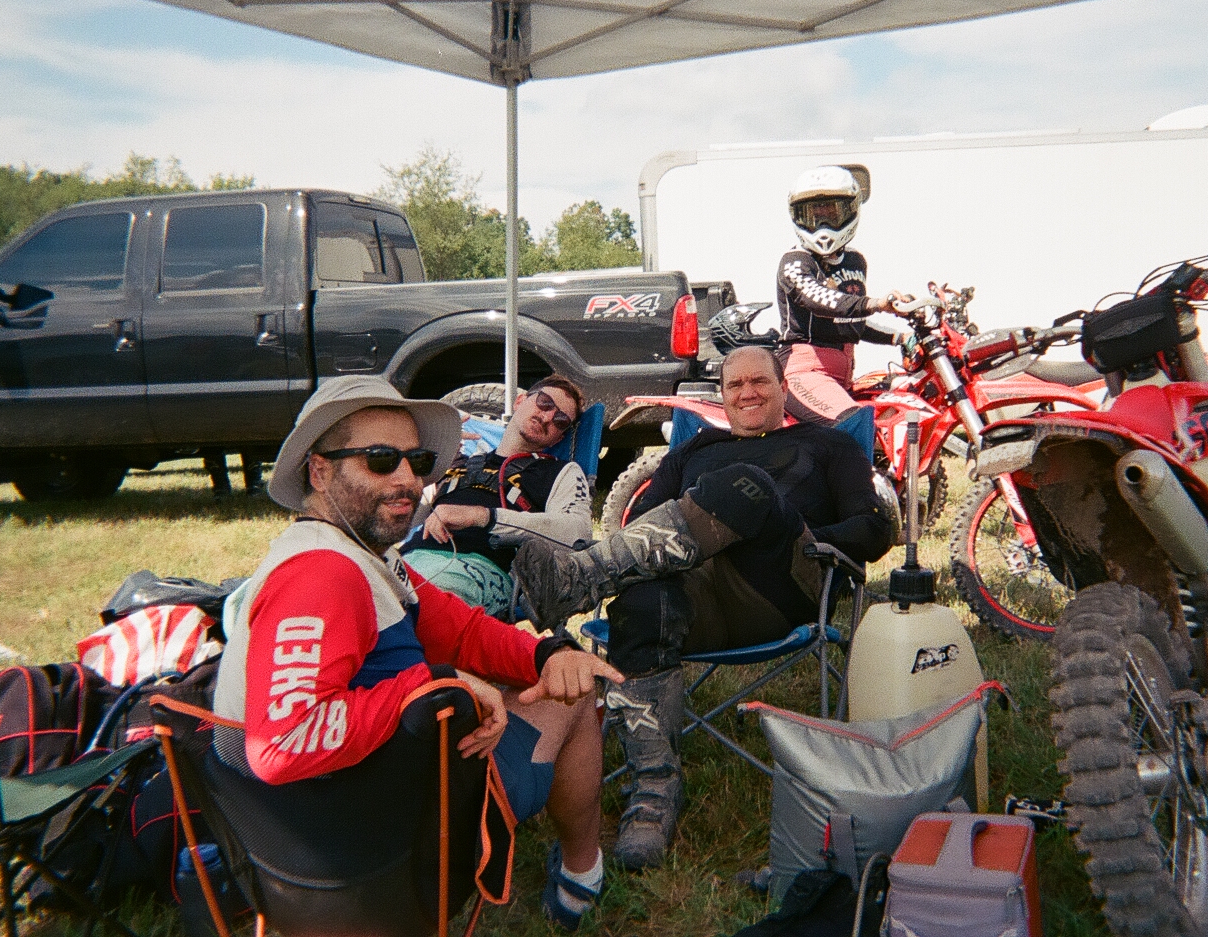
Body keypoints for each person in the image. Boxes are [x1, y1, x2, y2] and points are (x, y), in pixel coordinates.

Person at [213, 375, 624, 929]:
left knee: (555, 674)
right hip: (382, 840)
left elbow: (460, 630)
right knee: (570, 699)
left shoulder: (365, 557)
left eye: (418, 460)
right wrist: (434, 685)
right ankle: (582, 876)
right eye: (381, 460)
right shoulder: (323, 575)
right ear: (320, 470)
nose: (408, 479)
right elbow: (284, 743)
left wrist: (546, 654)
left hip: (336, 819)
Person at [511, 346, 892, 869]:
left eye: (759, 382)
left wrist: (797, 534)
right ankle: (652, 796)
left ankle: (576, 581)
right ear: (723, 396)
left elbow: (873, 528)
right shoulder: (696, 449)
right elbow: (641, 521)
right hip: (694, 598)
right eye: (735, 385)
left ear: (784, 389)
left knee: (747, 488)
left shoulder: (828, 443)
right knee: (641, 601)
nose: (747, 393)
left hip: (779, 585)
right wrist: (704, 533)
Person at [398, 375, 591, 618]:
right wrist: (429, 462)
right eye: (544, 402)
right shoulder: (460, 462)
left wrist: (485, 517)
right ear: (520, 401)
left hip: (478, 569)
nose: (547, 417)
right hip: (410, 559)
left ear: (559, 438)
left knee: (416, 608)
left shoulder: (559, 472)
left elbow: (578, 534)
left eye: (561, 420)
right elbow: (402, 519)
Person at [776, 164, 913, 424]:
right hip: (804, 371)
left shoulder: (854, 260)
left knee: (896, 413)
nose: (823, 223)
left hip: (842, 374)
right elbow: (817, 298)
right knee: (854, 424)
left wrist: (900, 337)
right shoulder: (794, 261)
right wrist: (877, 303)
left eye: (831, 213)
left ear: (850, 211)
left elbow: (849, 320)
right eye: (814, 215)